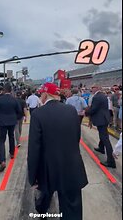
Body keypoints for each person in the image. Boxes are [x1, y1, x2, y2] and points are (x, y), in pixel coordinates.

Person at [28, 82, 88, 219]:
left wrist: (33, 176)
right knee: (72, 208)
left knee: (44, 199)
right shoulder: (71, 110)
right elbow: (76, 137)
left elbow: (34, 148)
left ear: (45, 94)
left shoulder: (38, 114)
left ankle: (42, 209)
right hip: (71, 165)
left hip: (48, 168)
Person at [0, 83, 22, 172]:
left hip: (2, 122)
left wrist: (0, 113)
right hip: (12, 121)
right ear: (11, 90)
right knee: (11, 136)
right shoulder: (14, 100)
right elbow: (19, 111)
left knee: (1, 141)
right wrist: (14, 117)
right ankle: (12, 153)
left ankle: (2, 160)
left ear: (4, 90)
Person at [85, 84, 116, 168]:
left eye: (93, 87)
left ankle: (111, 161)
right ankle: (101, 148)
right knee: (103, 135)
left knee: (105, 138)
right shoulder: (102, 95)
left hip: (101, 119)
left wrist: (86, 113)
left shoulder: (97, 97)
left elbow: (94, 109)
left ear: (97, 88)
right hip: (104, 118)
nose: (91, 89)